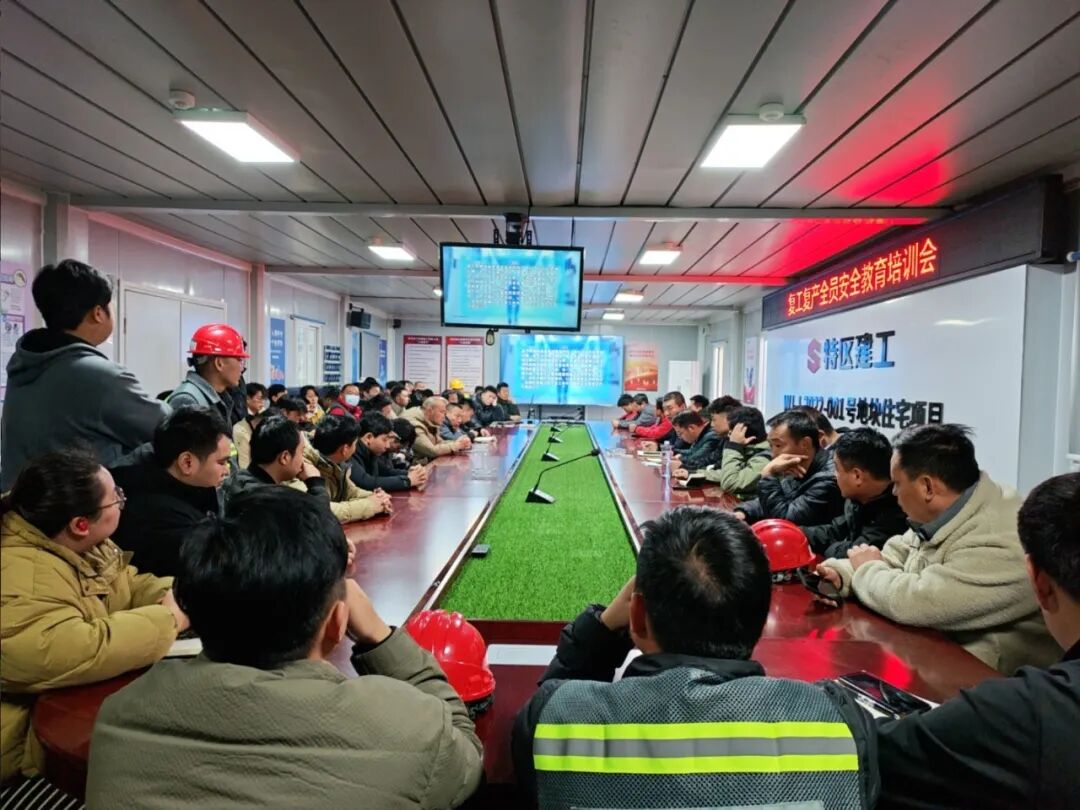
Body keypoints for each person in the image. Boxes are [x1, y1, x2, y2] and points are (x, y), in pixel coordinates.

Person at [86, 487, 484, 807]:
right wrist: (380, 637)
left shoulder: (117, 718)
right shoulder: (410, 730)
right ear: (337, 623)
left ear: (192, 610)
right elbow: (466, 756)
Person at [512, 506, 877, 809]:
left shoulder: (554, 722)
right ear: (761, 616)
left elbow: (553, 705)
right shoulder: (838, 721)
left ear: (636, 615)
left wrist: (603, 629)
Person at [873, 472, 1080, 808]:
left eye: (898, 482)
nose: (893, 491)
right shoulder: (929, 523)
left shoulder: (1025, 715)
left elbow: (870, 754)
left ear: (1037, 581)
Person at [1, 449, 187, 781]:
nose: (122, 502)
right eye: (116, 498)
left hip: (67, 715)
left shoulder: (79, 541)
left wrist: (178, 595)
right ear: (80, 524)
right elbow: (71, 649)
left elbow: (127, 584)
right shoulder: (21, 572)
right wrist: (168, 620)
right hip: (29, 753)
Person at [817, 424, 1060, 674]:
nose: (894, 492)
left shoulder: (998, 535)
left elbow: (917, 602)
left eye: (897, 483)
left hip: (991, 678)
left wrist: (866, 569)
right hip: (938, 659)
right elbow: (893, 556)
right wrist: (842, 574)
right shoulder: (946, 511)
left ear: (927, 487)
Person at [0, 260, 169, 490]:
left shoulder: (24, 363)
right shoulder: (100, 376)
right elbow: (167, 428)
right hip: (77, 506)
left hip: (21, 504)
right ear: (98, 313)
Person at [110, 407, 231, 577]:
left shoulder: (155, 480)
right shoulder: (161, 521)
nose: (227, 471)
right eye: (222, 463)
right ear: (187, 462)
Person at [803, 428, 907, 560]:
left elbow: (851, 554)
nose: (834, 476)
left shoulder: (897, 513)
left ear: (857, 476)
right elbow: (836, 530)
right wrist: (797, 532)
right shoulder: (860, 499)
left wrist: (830, 549)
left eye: (837, 469)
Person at [735, 409, 844, 527]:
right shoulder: (797, 466)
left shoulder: (829, 478)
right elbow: (778, 499)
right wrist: (744, 512)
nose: (773, 454)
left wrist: (768, 476)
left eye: (778, 445)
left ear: (805, 444)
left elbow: (786, 520)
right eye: (771, 445)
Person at [223, 416, 328, 505]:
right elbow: (321, 520)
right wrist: (316, 484)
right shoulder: (273, 502)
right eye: (302, 451)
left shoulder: (239, 481)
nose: (303, 459)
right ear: (284, 457)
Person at [310, 415, 393, 523]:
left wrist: (377, 498)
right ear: (345, 449)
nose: (356, 448)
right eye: (355, 444)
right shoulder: (306, 468)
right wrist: (370, 505)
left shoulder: (338, 463)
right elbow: (323, 510)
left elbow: (350, 491)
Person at [167, 323, 249, 427]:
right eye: (239, 360)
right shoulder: (188, 401)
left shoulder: (220, 397)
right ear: (219, 363)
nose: (241, 368)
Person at [699, 405, 772, 500]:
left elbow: (730, 482)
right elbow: (727, 474)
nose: (729, 436)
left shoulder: (764, 458)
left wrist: (734, 446)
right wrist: (694, 473)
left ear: (742, 432)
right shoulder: (750, 449)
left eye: (731, 432)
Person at [350, 413, 428, 492]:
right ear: (369, 437)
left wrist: (411, 473)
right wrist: (407, 481)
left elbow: (386, 472)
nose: (387, 445)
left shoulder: (371, 452)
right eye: (384, 440)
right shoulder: (350, 453)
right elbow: (366, 482)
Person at [406, 396, 472, 460]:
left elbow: (440, 442)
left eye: (445, 413)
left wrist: (460, 443)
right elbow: (432, 451)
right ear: (430, 411)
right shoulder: (415, 425)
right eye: (442, 412)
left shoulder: (431, 422)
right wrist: (456, 445)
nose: (444, 416)